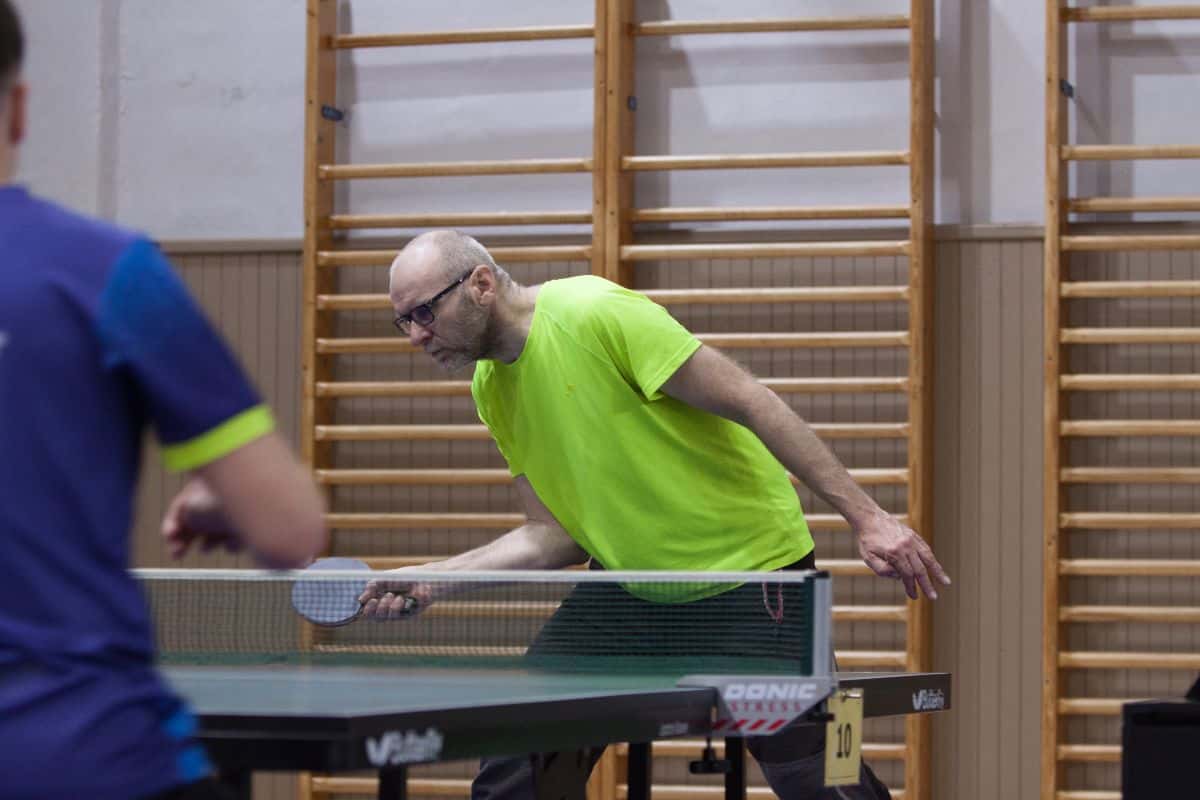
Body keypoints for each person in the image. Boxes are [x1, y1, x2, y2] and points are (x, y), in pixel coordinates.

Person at [374, 230, 950, 799]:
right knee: (519, 755)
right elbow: (554, 535)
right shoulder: (490, 387)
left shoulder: (593, 313)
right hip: (632, 592)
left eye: (425, 311)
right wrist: (433, 579)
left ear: (480, 284)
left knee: (818, 776)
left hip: (751, 580)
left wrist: (868, 517)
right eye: (404, 321)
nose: (416, 335)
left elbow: (750, 400)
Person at [0, 3, 329, 798]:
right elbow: (292, 531)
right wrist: (225, 500)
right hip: (89, 755)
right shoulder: (106, 271)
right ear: (19, 107)